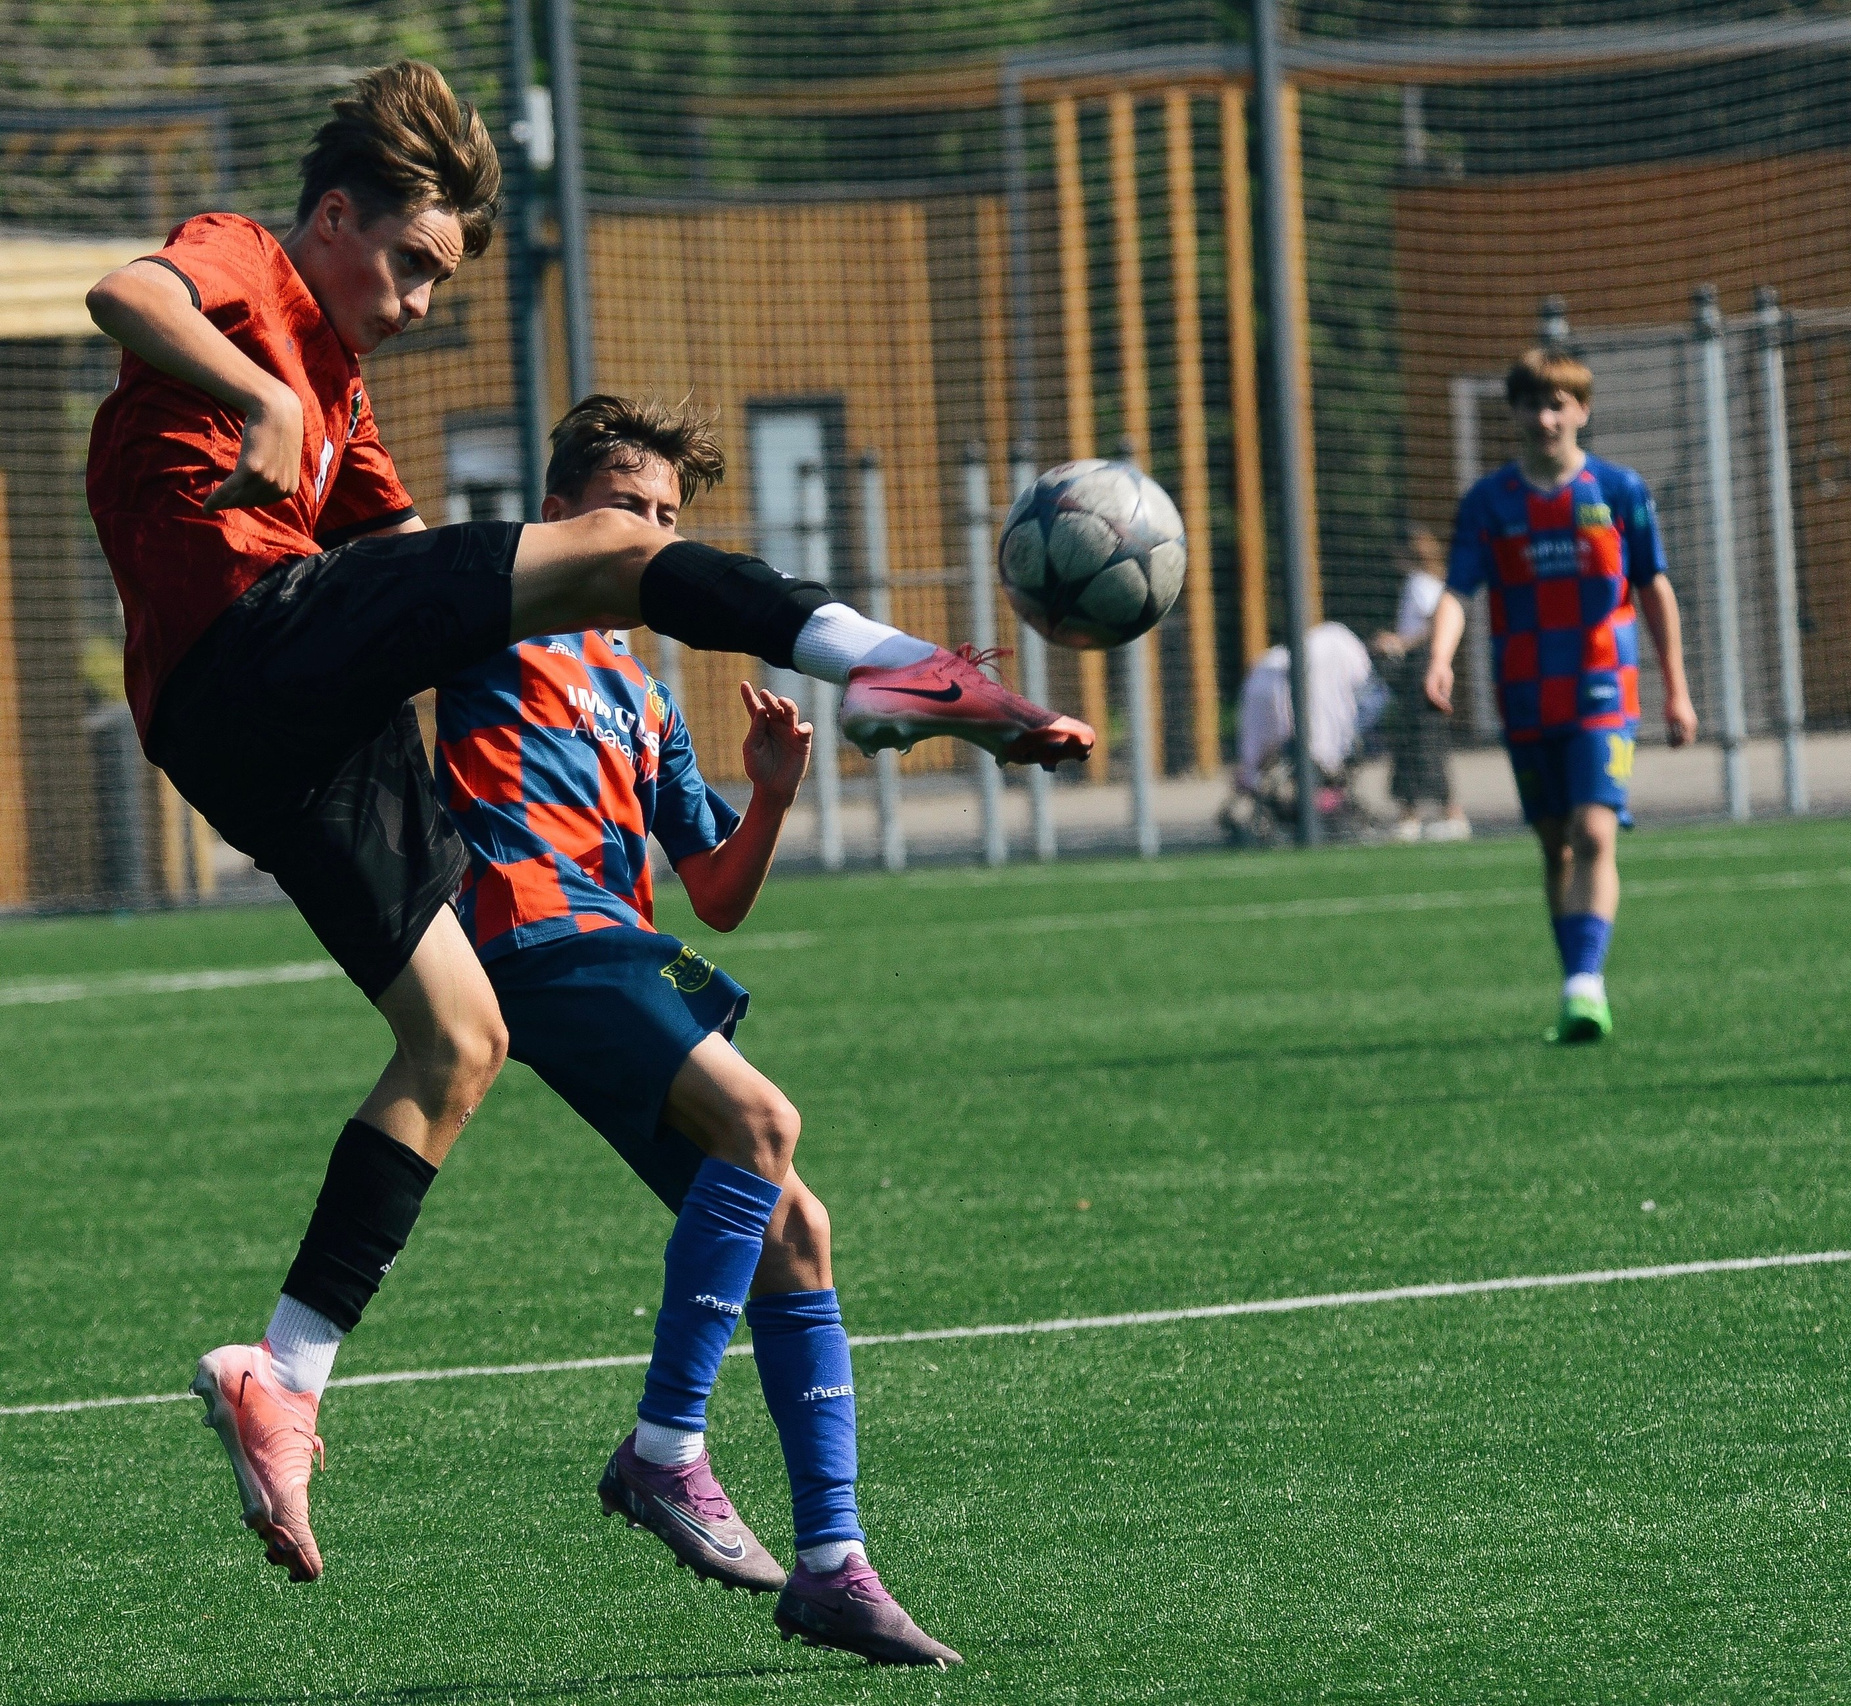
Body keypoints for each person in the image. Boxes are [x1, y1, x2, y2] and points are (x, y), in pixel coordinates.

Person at [81, 61, 1093, 1584]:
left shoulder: (346, 410)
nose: (418, 301)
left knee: (458, 1038)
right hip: (250, 639)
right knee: (616, 553)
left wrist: (567, 585)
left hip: (271, 737)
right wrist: (257, 390)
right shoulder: (251, 265)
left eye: (441, 280)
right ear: (337, 212)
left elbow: (438, 579)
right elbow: (119, 293)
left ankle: (283, 1371)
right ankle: (908, 659)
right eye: (410, 261)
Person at [435, 395, 957, 1667]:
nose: (652, 533)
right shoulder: (484, 619)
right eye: (628, 507)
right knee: (764, 1119)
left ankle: (832, 1561)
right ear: (559, 511)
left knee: (795, 1223)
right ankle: (666, 1446)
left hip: (616, 950)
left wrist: (771, 799)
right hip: (531, 934)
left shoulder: (645, 692)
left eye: (670, 516)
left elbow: (715, 888)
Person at [1426, 346, 1698, 1044]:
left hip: (1606, 692)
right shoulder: (1489, 502)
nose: (1546, 418)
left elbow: (1653, 588)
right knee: (1556, 848)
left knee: (1595, 830)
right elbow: (1459, 589)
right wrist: (1439, 658)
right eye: (1533, 405)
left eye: (1560, 404)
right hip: (1524, 693)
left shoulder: (1619, 491)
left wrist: (1678, 690)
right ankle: (1576, 974)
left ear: (1584, 409)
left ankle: (1585, 986)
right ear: (1513, 411)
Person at [1221, 620, 1381, 843]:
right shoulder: (1340, 645)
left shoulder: (1328, 647)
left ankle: (1275, 800)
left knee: (1267, 762)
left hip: (1275, 697)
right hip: (1296, 720)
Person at [1372, 524, 1470, 842]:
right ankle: (1412, 815)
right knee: (1423, 743)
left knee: (1422, 743)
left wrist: (1398, 643)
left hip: (1421, 671)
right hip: (1424, 671)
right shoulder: (1428, 581)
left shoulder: (1419, 582)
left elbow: (1433, 624)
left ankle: (1442, 815)